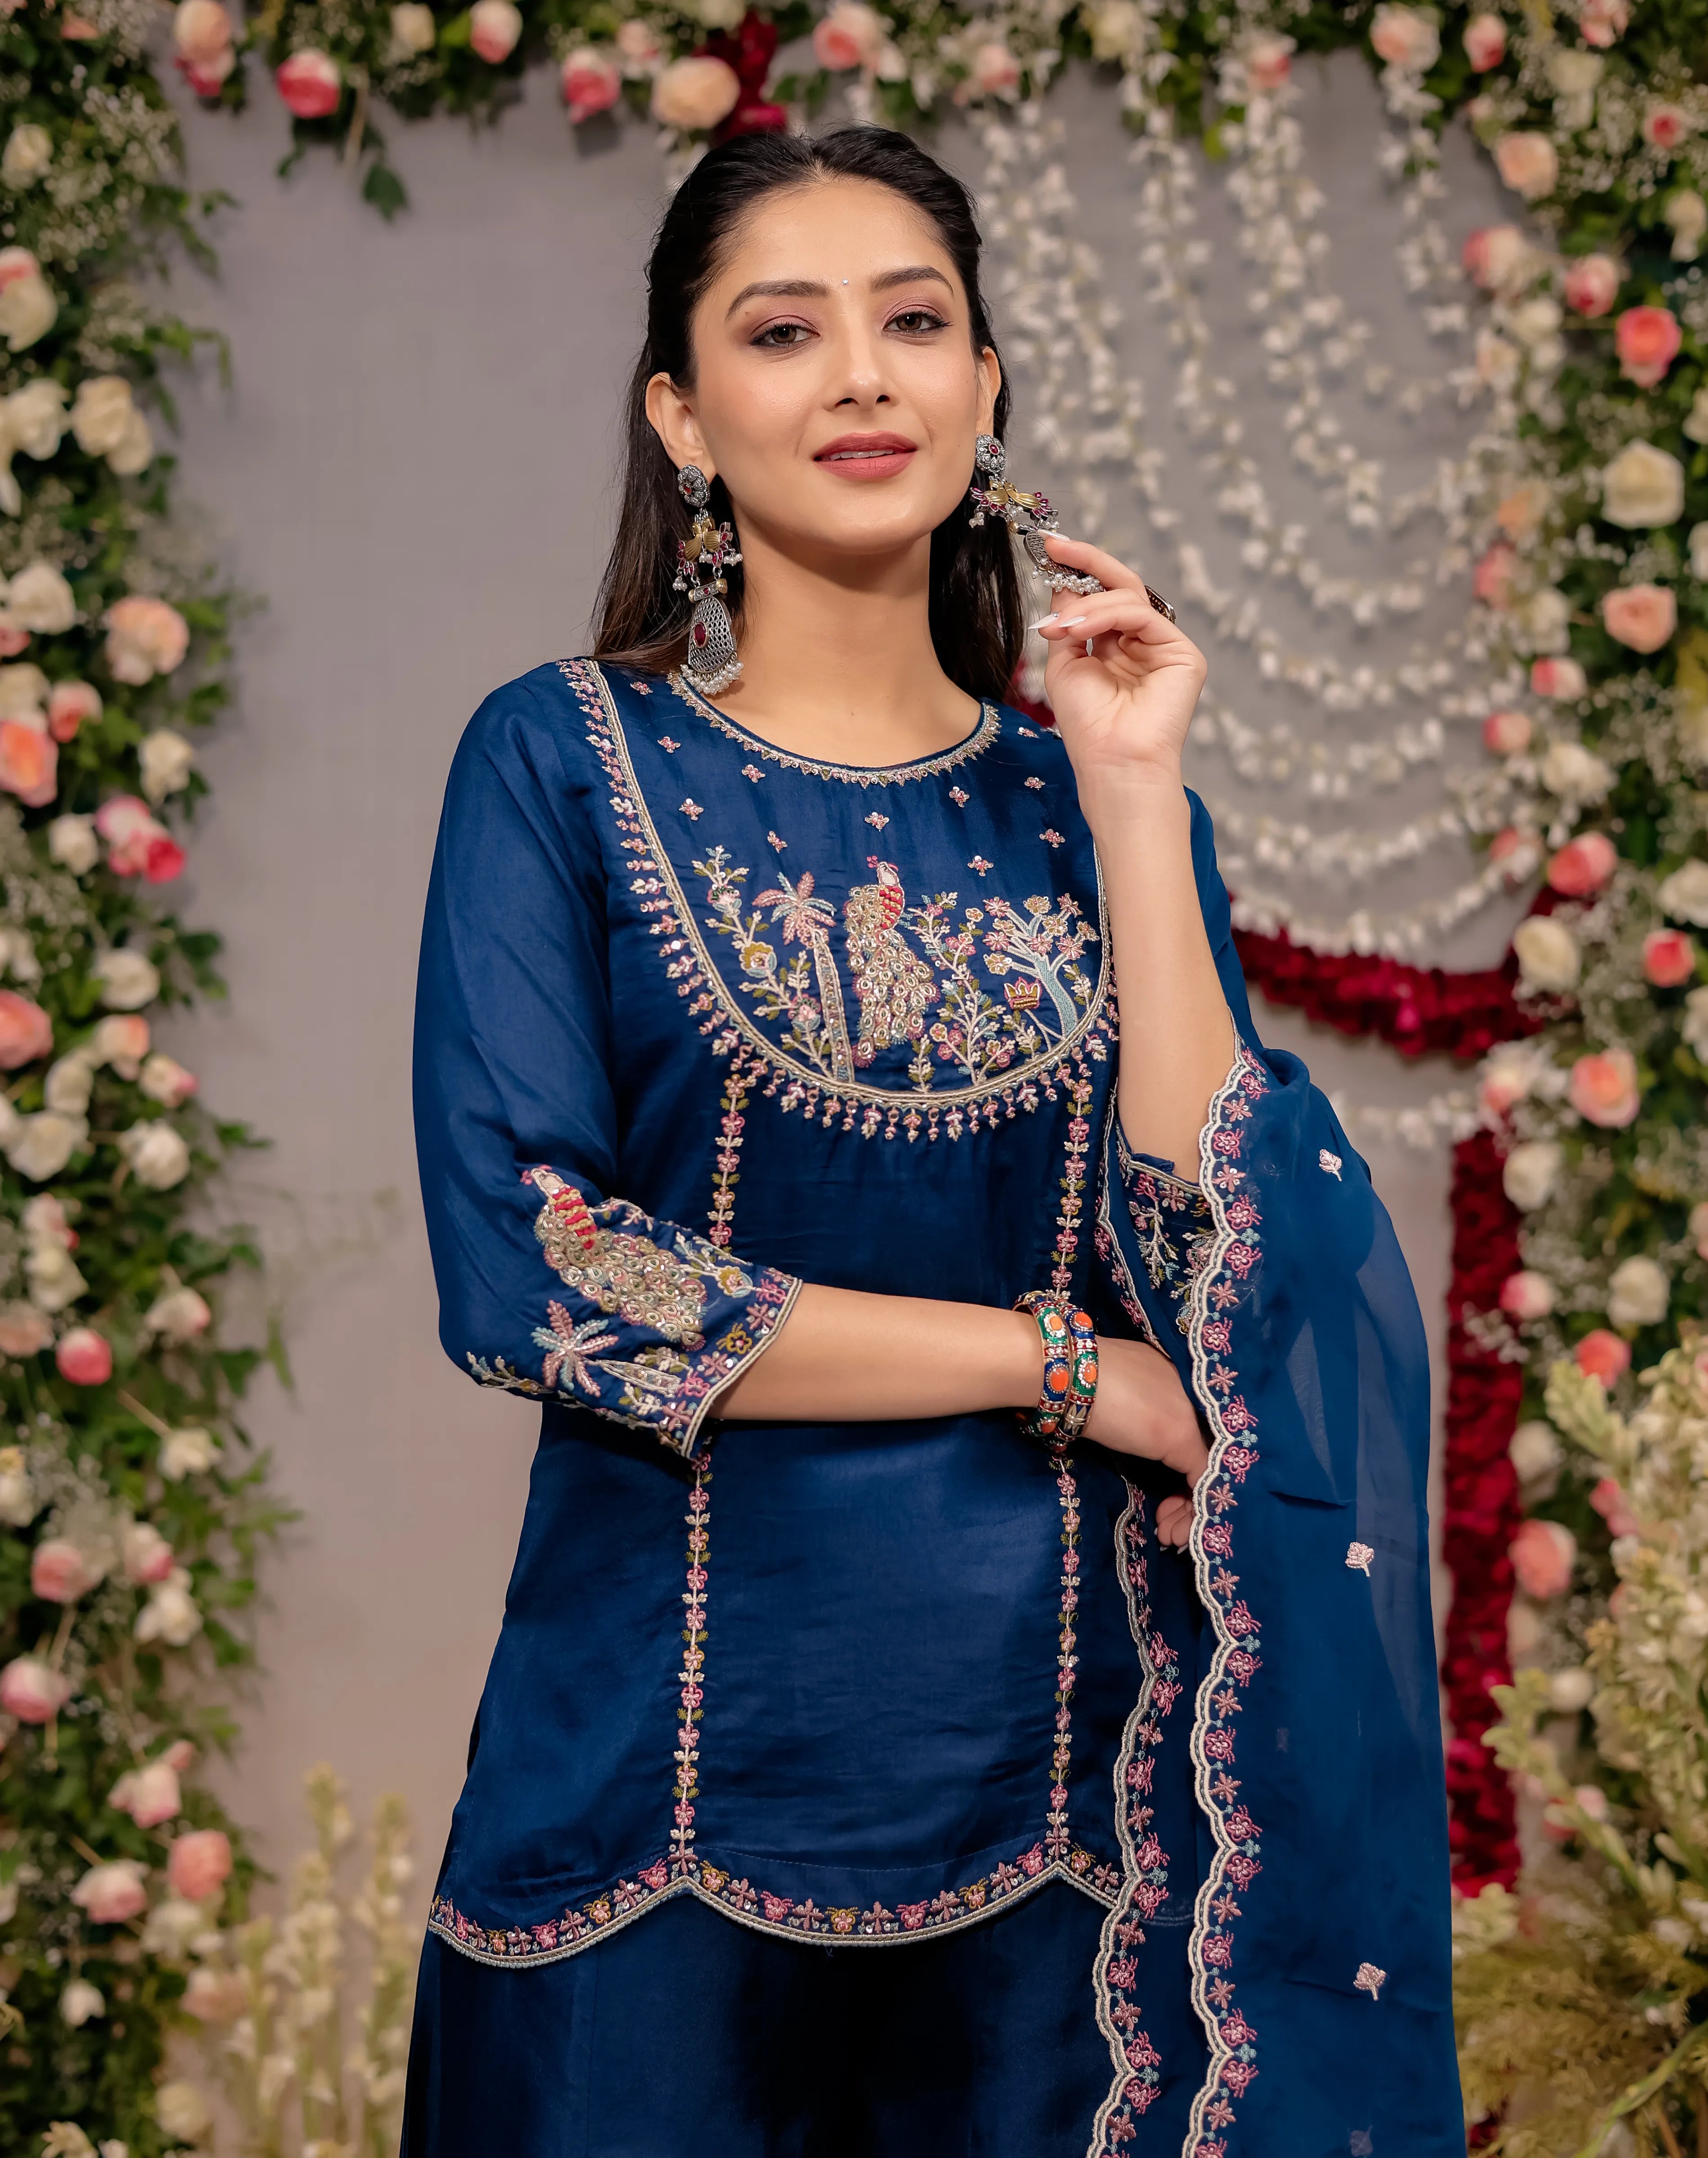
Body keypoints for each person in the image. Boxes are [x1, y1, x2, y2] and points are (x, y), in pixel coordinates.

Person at [401, 123, 1462, 2157]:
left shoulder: (1089, 804)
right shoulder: (558, 760)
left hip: (1061, 1841)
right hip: (646, 1804)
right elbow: (546, 1265)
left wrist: (1137, 789)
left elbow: (1208, 1249)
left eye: (915, 325)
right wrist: (1056, 1368)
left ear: (985, 394)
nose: (862, 378)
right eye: (781, 333)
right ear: (682, 417)